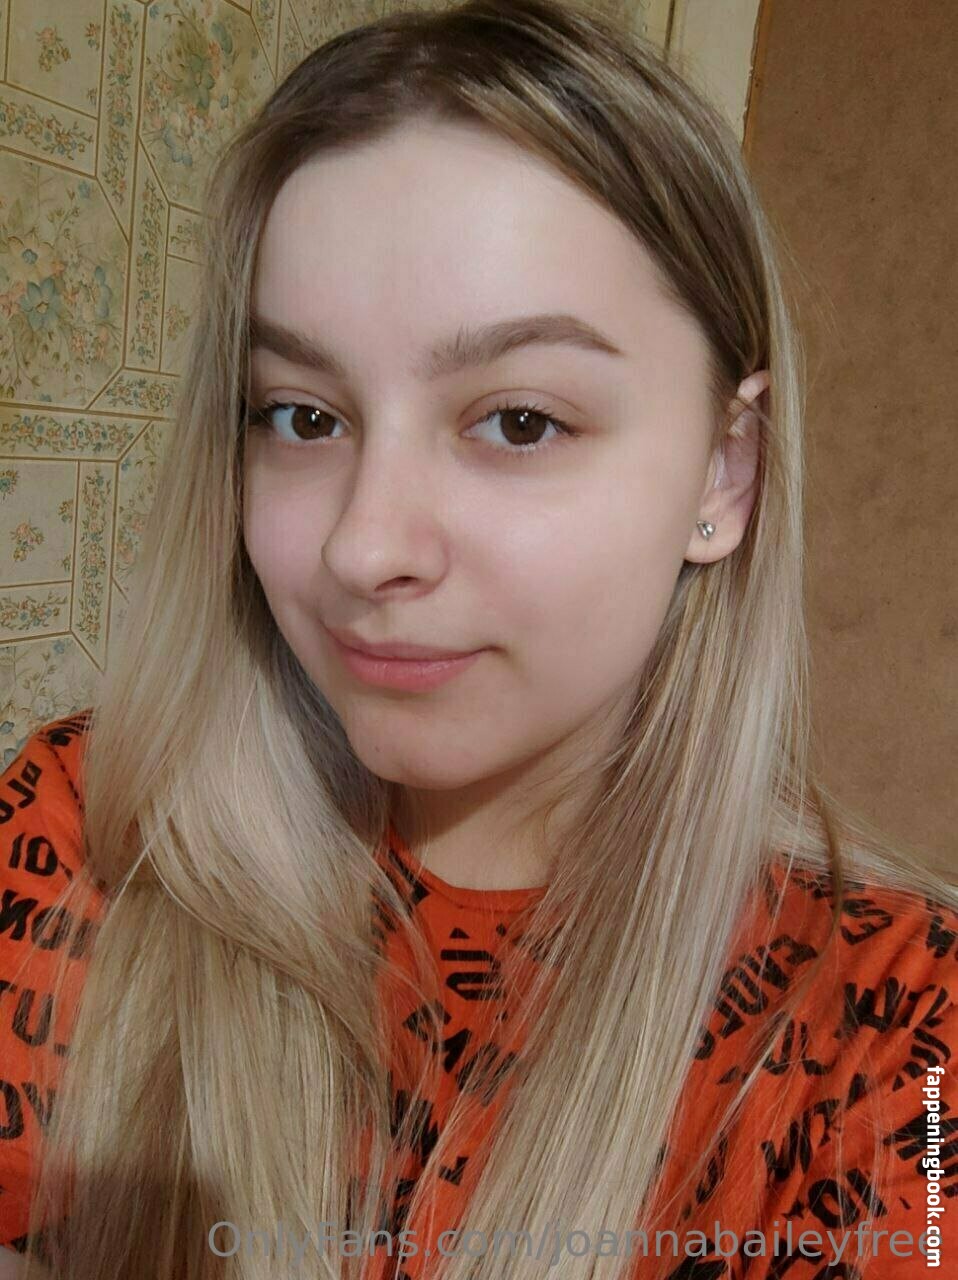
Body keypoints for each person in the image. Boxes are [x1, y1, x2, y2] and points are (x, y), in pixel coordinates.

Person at [0, 1, 954, 1277]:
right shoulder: (81, 835)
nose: (362, 547)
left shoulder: (898, 1038)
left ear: (724, 473)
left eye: (517, 421)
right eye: (301, 415)